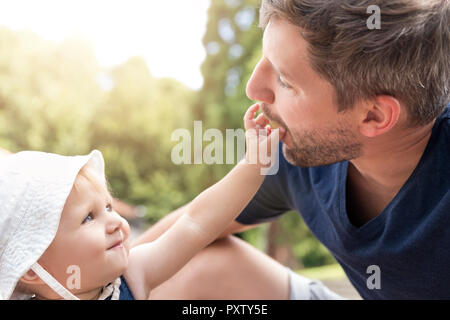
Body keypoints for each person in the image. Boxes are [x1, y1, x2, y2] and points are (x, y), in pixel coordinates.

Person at [133, 0, 450, 299]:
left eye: (285, 80)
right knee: (202, 263)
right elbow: (188, 227)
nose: (253, 88)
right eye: (265, 58)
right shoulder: (301, 158)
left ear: (373, 115)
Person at [0, 104, 282, 300]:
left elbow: (196, 222)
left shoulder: (133, 276)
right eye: (88, 217)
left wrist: (255, 163)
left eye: (108, 207)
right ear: (31, 266)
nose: (114, 221)